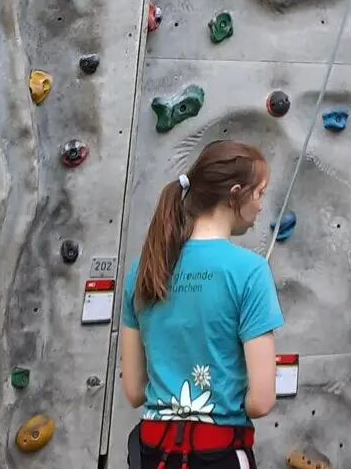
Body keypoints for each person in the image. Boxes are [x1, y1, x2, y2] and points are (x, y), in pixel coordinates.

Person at [120, 140, 284, 469]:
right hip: (218, 454)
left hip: (154, 455)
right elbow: (261, 401)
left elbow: (135, 392)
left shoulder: (143, 270)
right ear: (235, 193)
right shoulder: (250, 272)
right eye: (260, 193)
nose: (262, 206)